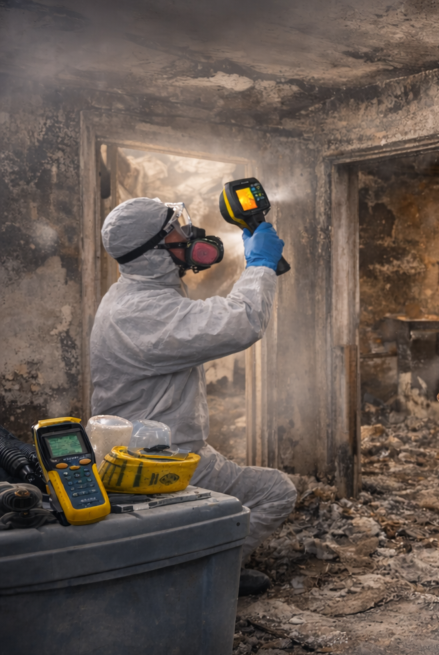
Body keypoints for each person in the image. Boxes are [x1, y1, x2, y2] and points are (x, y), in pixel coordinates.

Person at [91, 197, 296, 596]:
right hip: (154, 463)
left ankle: (203, 569)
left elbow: (196, 321)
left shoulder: (137, 296)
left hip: (151, 448)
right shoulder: (142, 314)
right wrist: (260, 265)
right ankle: (209, 580)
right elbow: (242, 321)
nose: (188, 234)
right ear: (154, 251)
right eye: (176, 229)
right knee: (276, 492)